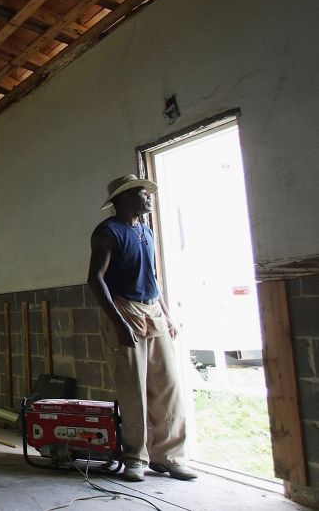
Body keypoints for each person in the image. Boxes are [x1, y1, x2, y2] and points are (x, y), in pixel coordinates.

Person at [88, 174, 197, 482]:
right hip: (125, 310)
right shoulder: (107, 232)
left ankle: (169, 456)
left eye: (147, 194)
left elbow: (152, 277)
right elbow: (95, 279)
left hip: (153, 311)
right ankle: (135, 456)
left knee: (168, 386)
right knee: (133, 388)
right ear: (123, 200)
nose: (148, 197)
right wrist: (118, 323)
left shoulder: (145, 231)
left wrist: (165, 314)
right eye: (141, 193)